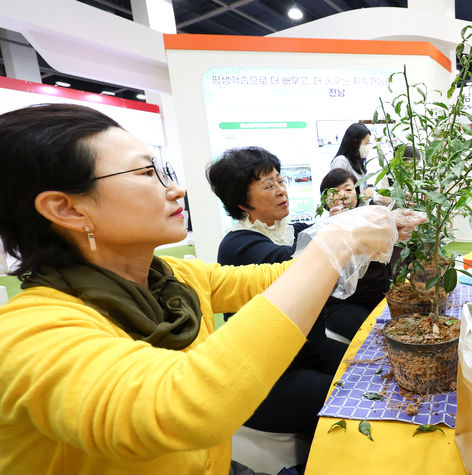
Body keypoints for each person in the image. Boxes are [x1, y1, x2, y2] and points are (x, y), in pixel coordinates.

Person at [0, 104, 422, 474]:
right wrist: (335, 242)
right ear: (66, 208)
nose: (175, 189)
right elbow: (180, 407)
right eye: (146, 173)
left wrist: (362, 235)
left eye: (163, 170)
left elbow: (276, 277)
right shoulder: (28, 335)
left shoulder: (177, 279)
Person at [206, 149, 397, 447]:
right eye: (269, 185)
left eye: (281, 181)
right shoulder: (238, 245)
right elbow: (299, 260)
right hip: (267, 377)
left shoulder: (291, 231)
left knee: (371, 369)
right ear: (242, 202)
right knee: (346, 398)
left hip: (309, 353)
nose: (281, 190)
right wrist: (346, 229)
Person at [319, 168, 391, 334]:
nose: (342, 195)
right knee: (372, 334)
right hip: (342, 304)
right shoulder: (322, 229)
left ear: (357, 194)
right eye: (334, 191)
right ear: (325, 198)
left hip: (378, 296)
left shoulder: (371, 220)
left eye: (348, 189)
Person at [330, 123, 374, 201]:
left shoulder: (357, 163)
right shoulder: (341, 161)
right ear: (355, 141)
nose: (367, 147)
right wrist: (361, 197)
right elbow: (337, 195)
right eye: (366, 143)